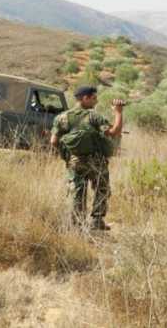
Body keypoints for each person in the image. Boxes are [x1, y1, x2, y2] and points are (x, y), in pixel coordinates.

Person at [50, 86, 124, 231]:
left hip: (74, 162)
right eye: (94, 98)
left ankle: (77, 223)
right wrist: (118, 113)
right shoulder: (93, 116)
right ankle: (97, 221)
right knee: (101, 189)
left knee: (77, 191)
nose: (96, 101)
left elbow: (53, 141)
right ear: (85, 98)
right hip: (96, 162)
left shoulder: (61, 117)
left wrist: (68, 155)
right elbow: (114, 131)